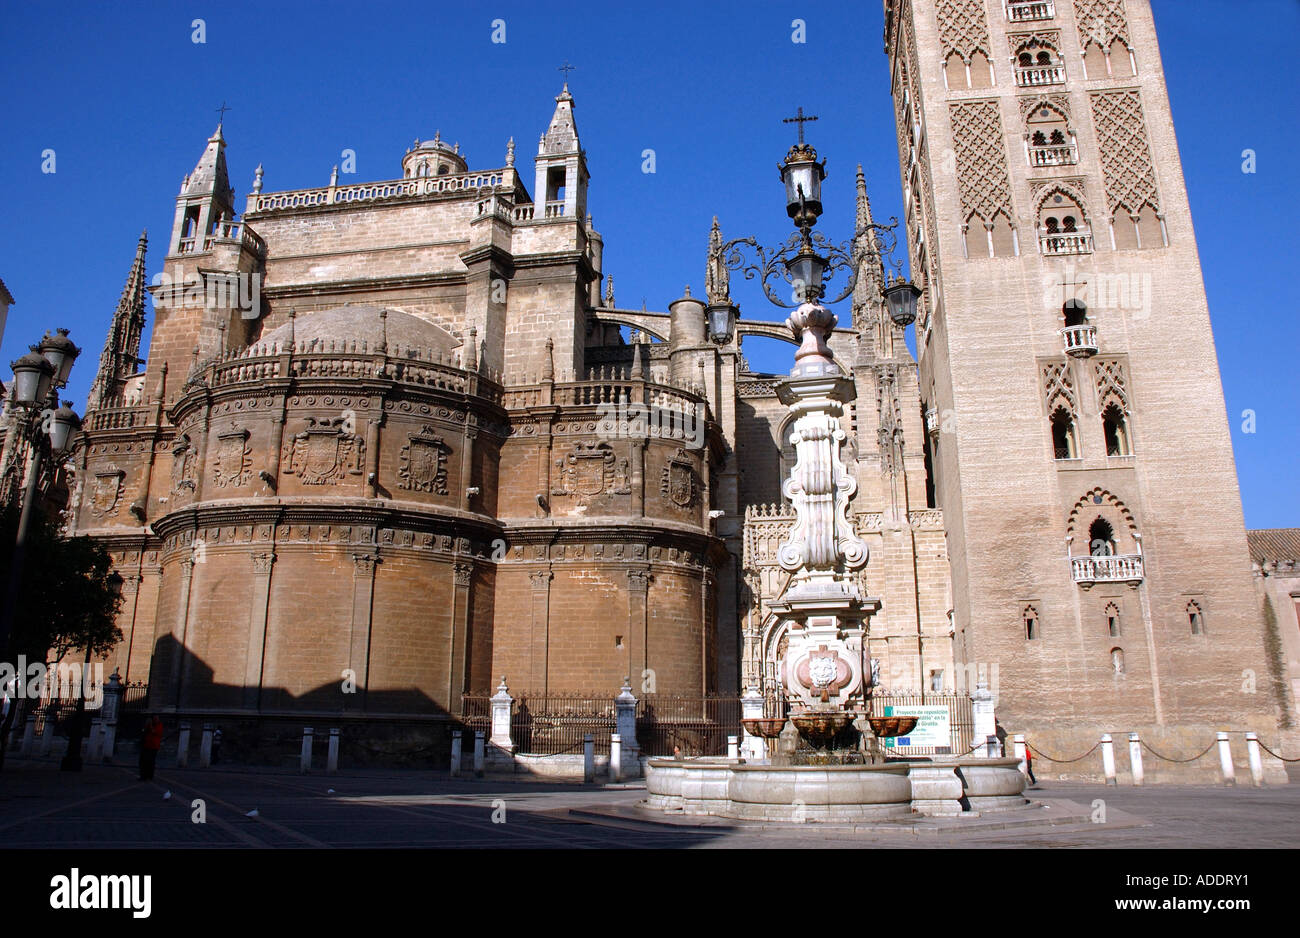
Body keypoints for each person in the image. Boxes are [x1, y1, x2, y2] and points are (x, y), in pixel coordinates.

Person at [139, 715, 164, 781]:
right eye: (154, 718)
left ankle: (149, 777)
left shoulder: (159, 725)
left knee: (150, 762)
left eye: (156, 718)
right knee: (143, 762)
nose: (155, 719)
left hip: (153, 746)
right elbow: (143, 731)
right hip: (146, 745)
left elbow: (154, 732)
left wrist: (150, 725)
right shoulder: (149, 725)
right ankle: (143, 776)